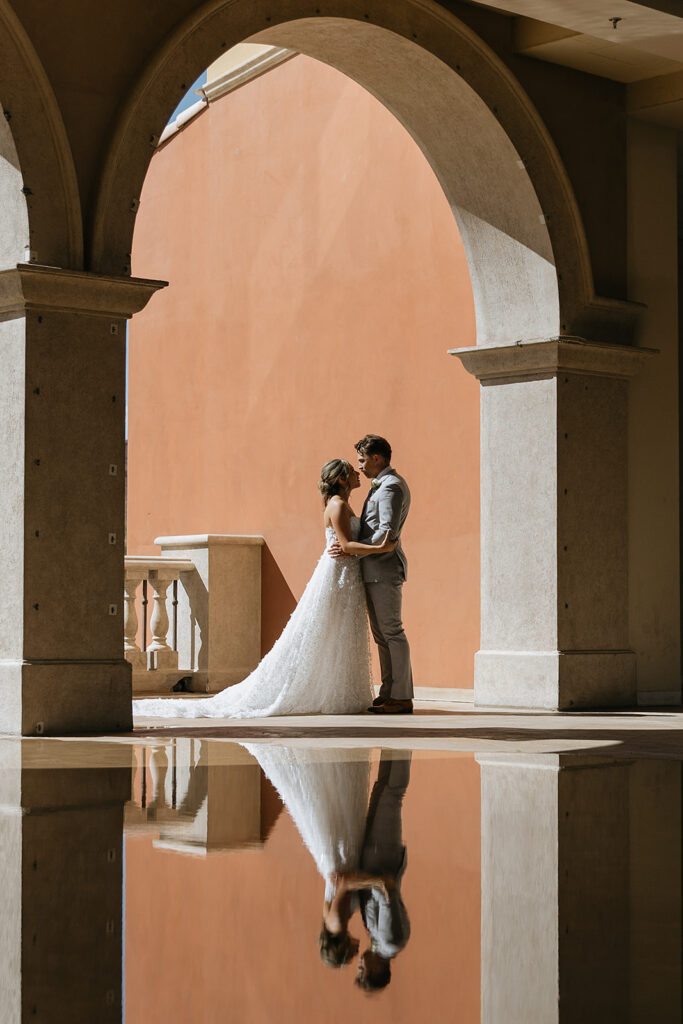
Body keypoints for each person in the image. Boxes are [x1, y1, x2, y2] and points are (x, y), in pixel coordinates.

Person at [133, 459, 395, 719]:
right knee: (328, 630)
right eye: (351, 471)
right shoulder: (337, 505)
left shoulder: (341, 504)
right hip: (338, 574)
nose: (357, 473)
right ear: (341, 479)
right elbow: (346, 546)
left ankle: (337, 692)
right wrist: (381, 548)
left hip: (346, 575)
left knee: (339, 632)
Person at [330, 435, 413, 714]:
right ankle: (389, 691)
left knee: (392, 632)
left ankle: (401, 697)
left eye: (363, 460)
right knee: (382, 634)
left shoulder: (390, 487)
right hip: (373, 568)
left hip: (384, 568)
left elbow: (385, 534)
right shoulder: (382, 485)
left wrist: (355, 551)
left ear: (377, 458)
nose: (360, 467)